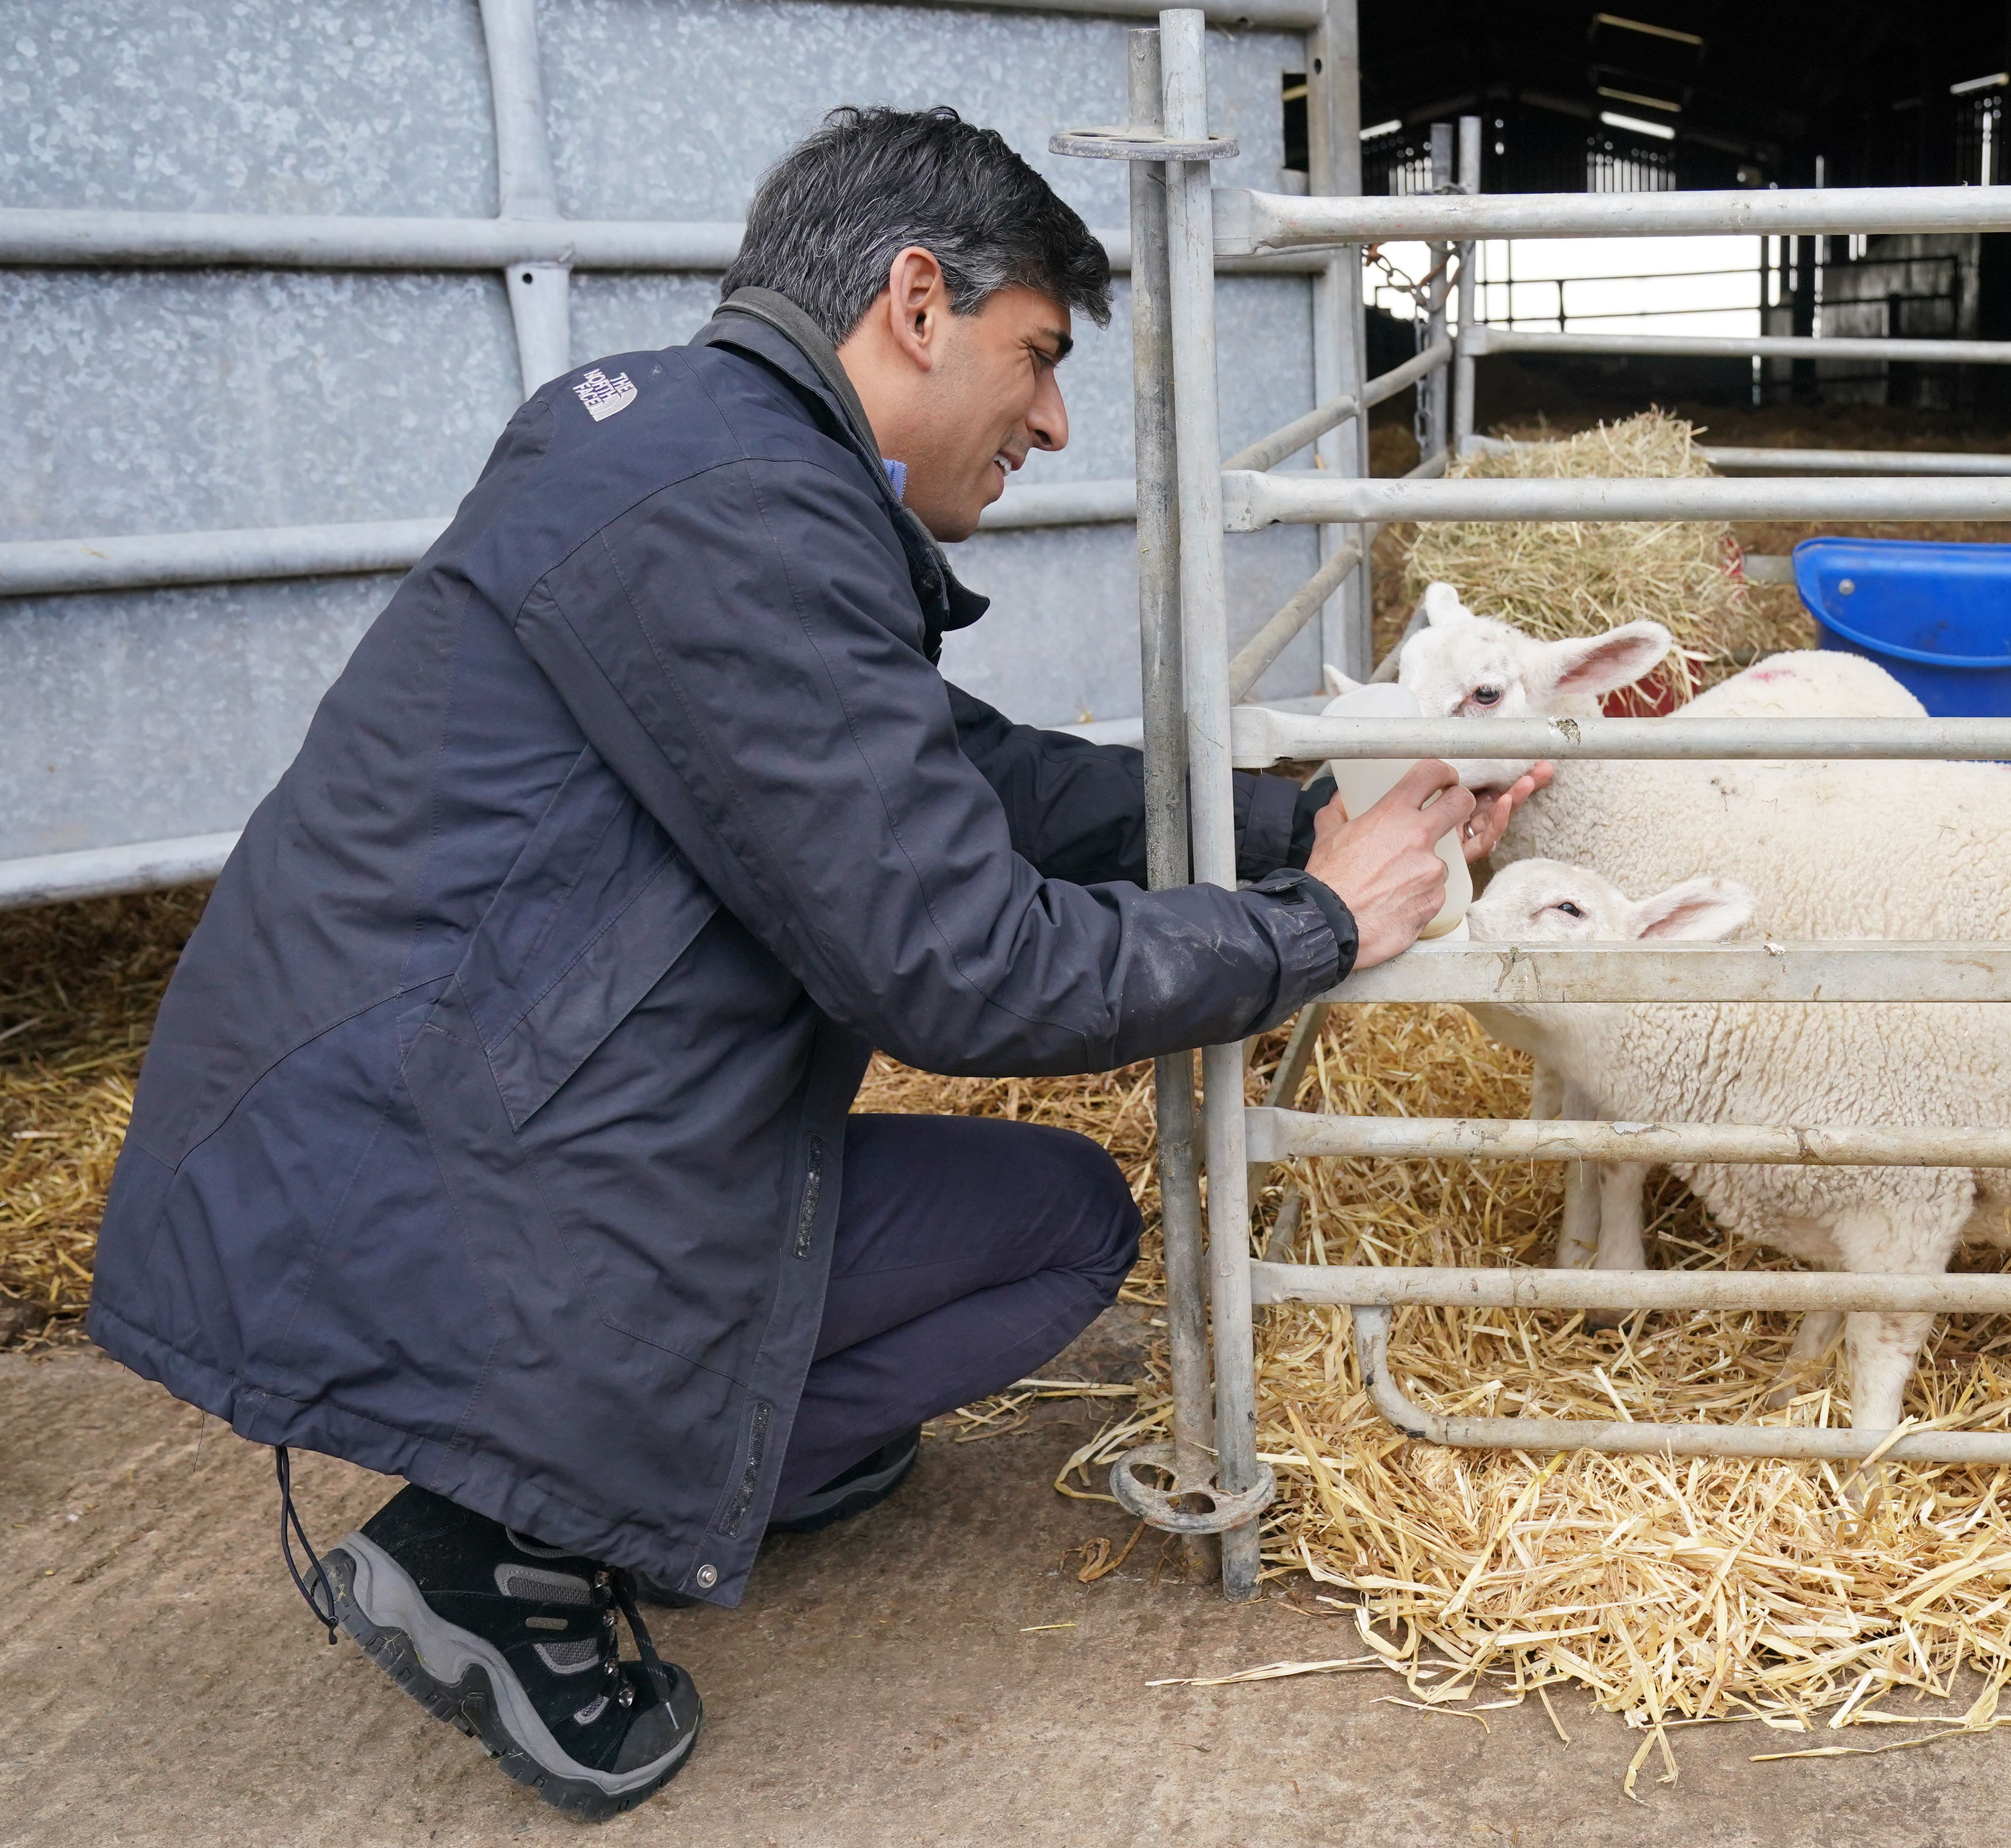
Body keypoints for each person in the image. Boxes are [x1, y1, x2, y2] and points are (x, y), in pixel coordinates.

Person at [85, 105, 1545, 1821]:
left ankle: (656, 1465)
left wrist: (1291, 822)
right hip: (455, 1178)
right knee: (1048, 1241)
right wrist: (1319, 930)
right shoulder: (737, 510)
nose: (1055, 419)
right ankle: (499, 1559)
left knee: (1058, 1229)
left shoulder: (713, 467)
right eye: (1039, 355)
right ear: (917, 306)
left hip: (466, 1118)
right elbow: (964, 970)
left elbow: (973, 781)